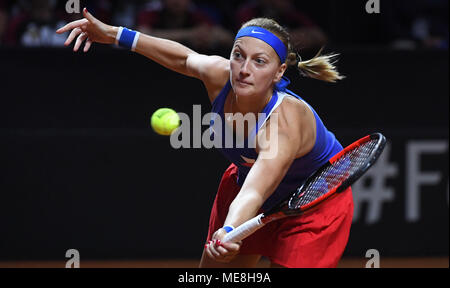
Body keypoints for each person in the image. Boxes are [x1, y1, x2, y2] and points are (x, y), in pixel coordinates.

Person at [56, 8, 353, 268]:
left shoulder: (284, 123)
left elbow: (255, 192)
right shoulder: (220, 75)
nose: (244, 70)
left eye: (259, 62)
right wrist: (115, 33)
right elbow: (184, 58)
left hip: (313, 204)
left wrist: (230, 228)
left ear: (280, 72)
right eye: (238, 55)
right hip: (249, 184)